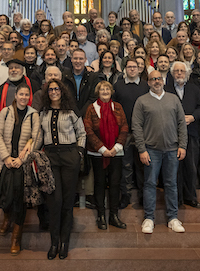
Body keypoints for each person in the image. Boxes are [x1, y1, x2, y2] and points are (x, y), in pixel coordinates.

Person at [132, 70, 188, 234]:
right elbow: (136, 127)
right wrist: (142, 149)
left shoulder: (173, 99)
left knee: (171, 184)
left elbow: (181, 123)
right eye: (153, 79)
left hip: (172, 149)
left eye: (159, 79)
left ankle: (173, 218)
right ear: (148, 82)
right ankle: (149, 218)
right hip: (151, 150)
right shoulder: (141, 101)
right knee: (149, 184)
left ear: (163, 81)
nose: (156, 81)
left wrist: (182, 145)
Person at [0, 84, 42, 255]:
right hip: (6, 161)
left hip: (23, 164)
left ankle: (16, 237)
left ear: (29, 97)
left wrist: (22, 159)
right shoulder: (5, 112)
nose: (23, 97)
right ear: (15, 95)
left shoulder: (33, 114)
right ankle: (7, 218)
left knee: (20, 200)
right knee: (5, 195)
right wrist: (6, 157)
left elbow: (36, 138)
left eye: (26, 95)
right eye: (21, 94)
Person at [40, 79, 87, 260]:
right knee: (55, 201)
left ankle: (64, 242)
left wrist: (79, 153)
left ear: (62, 91)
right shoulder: (43, 111)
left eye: (57, 89)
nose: (54, 92)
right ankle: (54, 243)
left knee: (67, 202)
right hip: (50, 158)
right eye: (50, 89)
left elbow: (81, 133)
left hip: (69, 156)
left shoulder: (71, 110)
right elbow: (39, 135)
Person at [83, 81, 128, 230]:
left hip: (116, 151)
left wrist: (117, 147)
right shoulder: (91, 108)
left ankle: (114, 216)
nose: (105, 91)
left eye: (107, 89)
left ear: (111, 91)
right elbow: (88, 129)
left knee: (115, 183)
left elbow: (124, 127)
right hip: (97, 152)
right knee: (99, 183)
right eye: (102, 89)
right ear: (98, 92)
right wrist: (102, 149)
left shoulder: (118, 107)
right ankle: (101, 215)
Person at [166, 61, 200, 208]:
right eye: (176, 71)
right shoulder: (166, 89)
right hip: (171, 134)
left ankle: (190, 197)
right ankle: (176, 199)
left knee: (191, 167)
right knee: (174, 169)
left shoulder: (194, 89)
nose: (179, 73)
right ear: (172, 73)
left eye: (182, 71)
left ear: (187, 73)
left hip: (191, 133)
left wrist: (193, 117)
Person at [113, 58, 148, 209]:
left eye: (135, 67)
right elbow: (113, 108)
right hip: (124, 132)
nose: (132, 69)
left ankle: (143, 196)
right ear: (125, 69)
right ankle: (125, 196)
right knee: (125, 165)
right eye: (129, 67)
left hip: (143, 131)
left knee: (142, 165)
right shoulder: (118, 85)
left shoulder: (145, 85)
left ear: (140, 69)